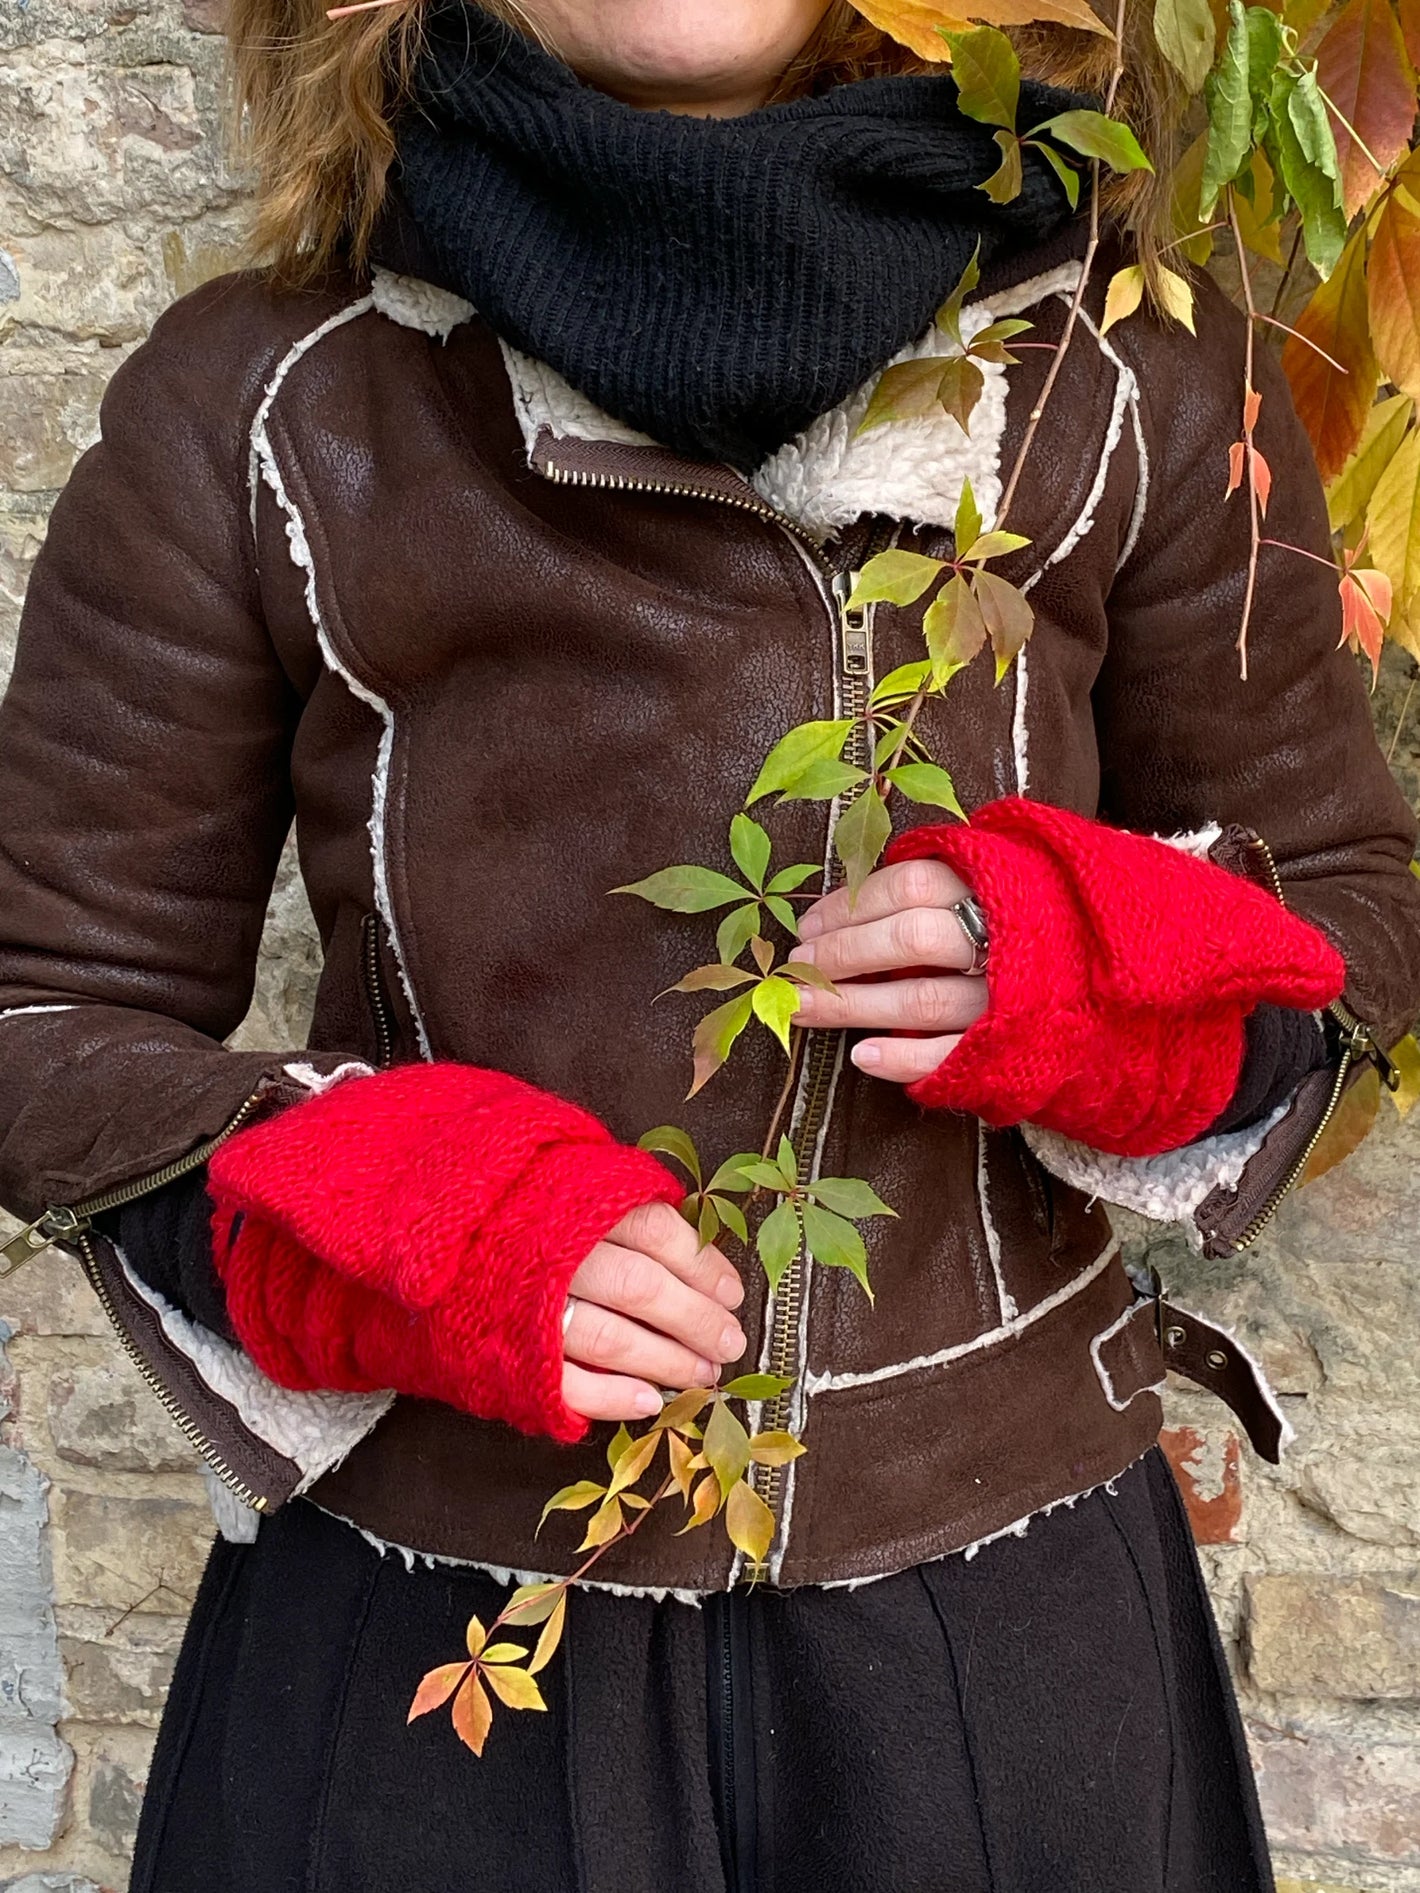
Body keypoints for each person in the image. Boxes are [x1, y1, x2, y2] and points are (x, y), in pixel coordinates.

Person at [1, 1, 1417, 1888]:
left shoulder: (1128, 369)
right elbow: (44, 1009)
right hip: (438, 1673)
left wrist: (1124, 992)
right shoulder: (262, 401)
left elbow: (1357, 920)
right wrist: (387, 1231)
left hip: (1000, 1667)